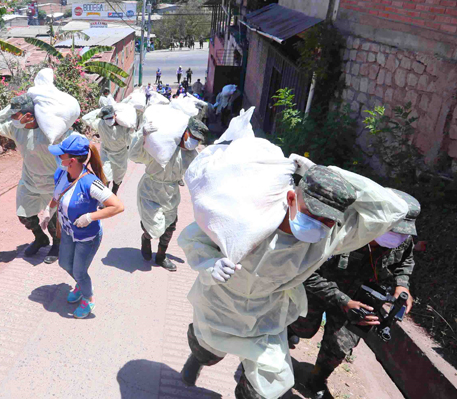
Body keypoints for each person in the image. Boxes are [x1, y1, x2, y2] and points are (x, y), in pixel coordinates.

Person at [178, 159, 408, 399]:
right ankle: (197, 360)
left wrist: (332, 174)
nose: (320, 224)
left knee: (267, 386)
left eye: (329, 219)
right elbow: (194, 238)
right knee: (208, 350)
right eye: (313, 214)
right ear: (291, 199)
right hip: (220, 304)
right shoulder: (248, 215)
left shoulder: (328, 239)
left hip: (265, 315)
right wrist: (210, 263)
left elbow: (393, 210)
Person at [289, 189, 419, 399]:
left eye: (403, 232)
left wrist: (402, 285)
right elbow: (307, 273)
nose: (399, 237)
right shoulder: (339, 228)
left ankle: (317, 380)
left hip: (359, 299)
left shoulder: (401, 239)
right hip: (319, 290)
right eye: (393, 229)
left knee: (340, 345)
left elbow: (405, 261)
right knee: (301, 327)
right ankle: (281, 343)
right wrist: (342, 300)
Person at [46, 134, 125, 318]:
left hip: (86, 238)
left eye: (61, 155)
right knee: (65, 263)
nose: (58, 158)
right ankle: (82, 285)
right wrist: (47, 211)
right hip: (67, 232)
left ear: (71, 160)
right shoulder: (61, 174)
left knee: (79, 271)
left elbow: (118, 206)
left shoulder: (90, 182)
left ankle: (88, 299)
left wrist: (90, 216)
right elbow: (57, 195)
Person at [0, 95, 63, 263]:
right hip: (29, 181)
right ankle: (40, 238)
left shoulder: (50, 131)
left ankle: (57, 245)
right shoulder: (16, 129)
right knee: (24, 216)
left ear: (29, 116)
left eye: (15, 115)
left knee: (53, 220)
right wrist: (11, 108)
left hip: (52, 185)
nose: (12, 119)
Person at [129, 117, 209, 271]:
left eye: (198, 140)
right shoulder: (161, 145)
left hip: (171, 193)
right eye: (192, 137)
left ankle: (160, 256)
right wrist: (142, 136)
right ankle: (146, 237)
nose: (193, 142)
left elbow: (196, 174)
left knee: (170, 226)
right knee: (154, 227)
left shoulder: (191, 154)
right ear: (185, 132)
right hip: (150, 190)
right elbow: (135, 156)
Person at [81, 105, 133, 195]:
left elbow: (86, 118)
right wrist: (100, 110)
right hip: (106, 153)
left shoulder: (122, 128)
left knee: (118, 176)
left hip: (120, 155)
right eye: (106, 118)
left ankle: (114, 192)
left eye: (110, 118)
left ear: (115, 116)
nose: (109, 121)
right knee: (105, 175)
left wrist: (131, 131)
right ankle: (106, 196)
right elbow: (85, 119)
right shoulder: (101, 124)